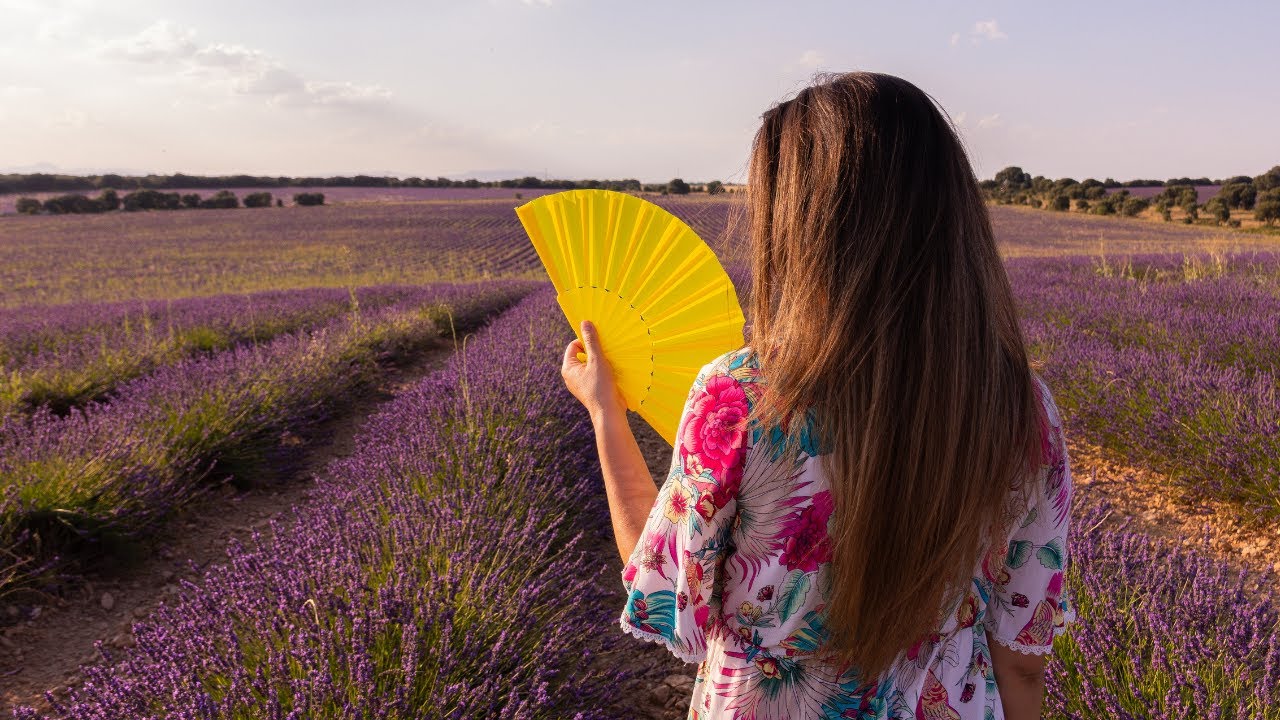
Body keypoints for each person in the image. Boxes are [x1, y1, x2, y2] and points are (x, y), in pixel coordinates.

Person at [560, 71, 1075, 720]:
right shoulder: (1023, 412)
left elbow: (668, 590)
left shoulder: (741, 397)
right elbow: (1023, 657)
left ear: (797, 224)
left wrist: (606, 414)